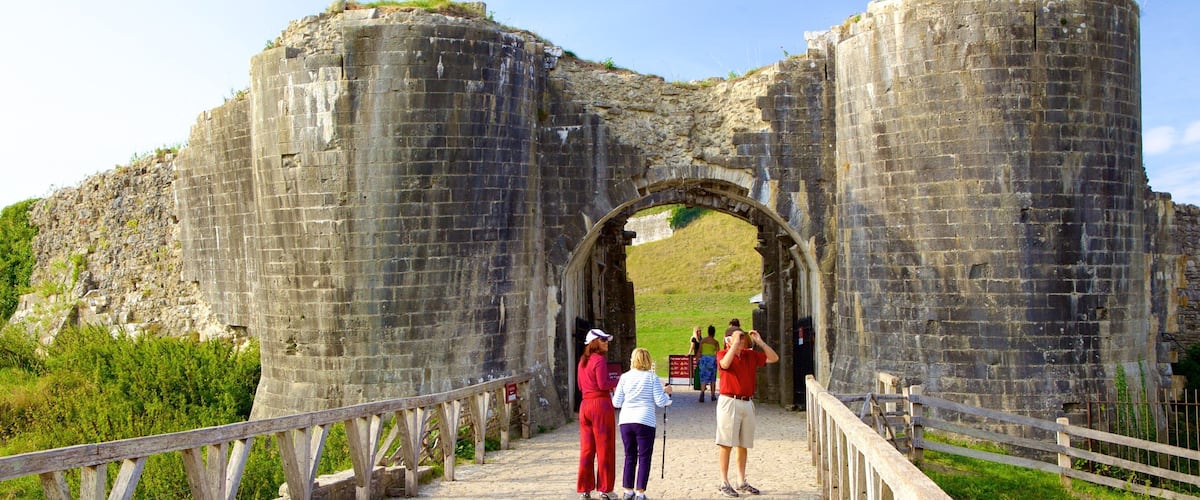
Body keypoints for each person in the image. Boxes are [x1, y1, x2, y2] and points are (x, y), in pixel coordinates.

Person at [714, 328, 779, 497]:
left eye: (743, 338)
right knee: (726, 443)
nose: (742, 341)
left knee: (743, 443)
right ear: (728, 340)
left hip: (747, 401)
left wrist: (760, 342)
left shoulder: (750, 355)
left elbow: (774, 358)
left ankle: (741, 480)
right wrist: (734, 343)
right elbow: (725, 364)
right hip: (729, 401)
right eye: (738, 338)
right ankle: (723, 481)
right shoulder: (722, 353)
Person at [611, 348, 672, 500]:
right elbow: (660, 401)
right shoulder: (652, 378)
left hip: (626, 420)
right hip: (645, 420)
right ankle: (640, 492)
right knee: (644, 456)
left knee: (629, 455)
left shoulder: (624, 377)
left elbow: (616, 402)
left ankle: (627, 490)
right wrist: (667, 393)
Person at [577, 328, 618, 500]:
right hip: (600, 405)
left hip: (585, 405)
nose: (606, 342)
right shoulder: (599, 360)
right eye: (602, 339)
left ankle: (584, 488)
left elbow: (580, 386)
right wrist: (619, 380)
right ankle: (604, 488)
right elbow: (603, 384)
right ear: (594, 342)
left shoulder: (582, 362)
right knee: (605, 447)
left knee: (587, 449)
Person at [695, 325, 720, 402]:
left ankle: (702, 393)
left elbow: (699, 351)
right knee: (713, 378)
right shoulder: (715, 342)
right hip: (712, 360)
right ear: (714, 333)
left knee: (703, 377)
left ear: (708, 332)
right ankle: (712, 395)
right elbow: (718, 352)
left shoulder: (703, 340)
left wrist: (697, 360)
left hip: (704, 360)